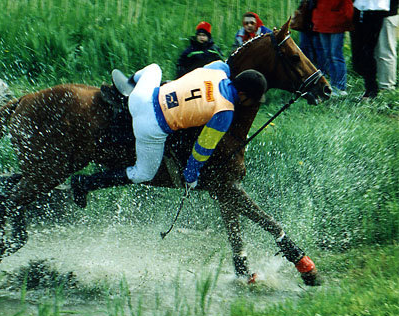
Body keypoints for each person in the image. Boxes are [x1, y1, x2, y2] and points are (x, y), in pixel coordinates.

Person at [71, 62, 268, 208]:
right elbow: (202, 148)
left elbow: (223, 64)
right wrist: (191, 176)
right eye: (253, 100)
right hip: (150, 126)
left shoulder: (216, 72)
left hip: (143, 97)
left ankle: (125, 92)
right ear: (242, 95)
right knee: (143, 173)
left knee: (154, 68)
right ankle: (84, 183)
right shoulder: (224, 113)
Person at [306, 0, 353, 96]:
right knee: (326, 55)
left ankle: (341, 86)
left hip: (337, 20)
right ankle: (332, 85)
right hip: (322, 20)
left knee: (335, 53)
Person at [351, 0, 392, 100]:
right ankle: (368, 85)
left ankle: (371, 90)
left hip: (375, 12)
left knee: (368, 51)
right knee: (357, 52)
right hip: (359, 10)